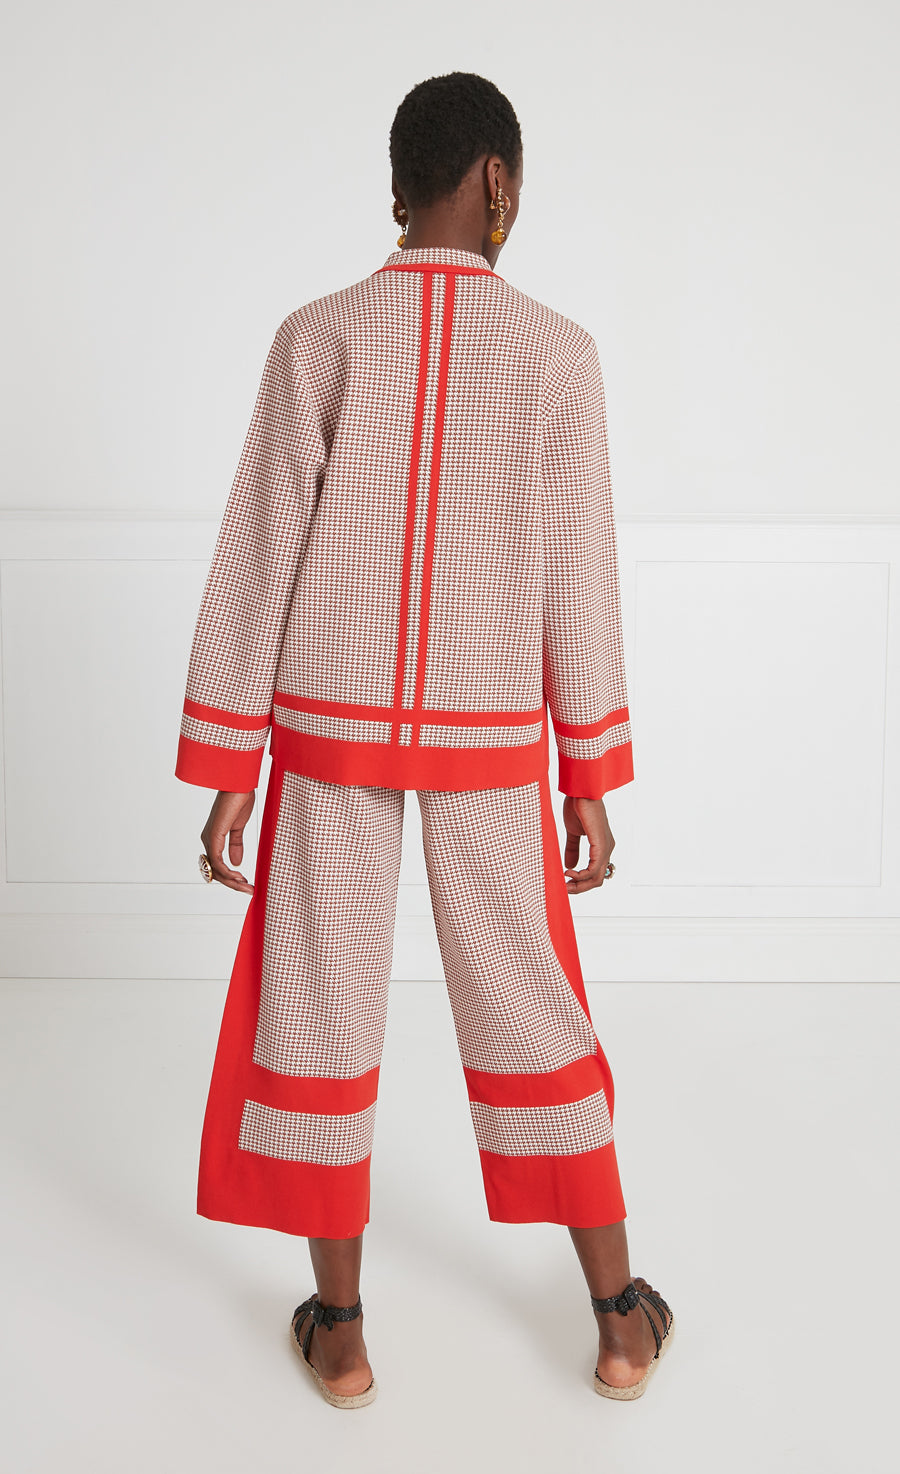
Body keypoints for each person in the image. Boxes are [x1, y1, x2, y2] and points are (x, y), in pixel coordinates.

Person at [175, 71, 674, 1408]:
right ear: (497, 180)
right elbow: (580, 576)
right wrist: (588, 771)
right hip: (489, 730)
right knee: (531, 1001)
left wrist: (227, 760)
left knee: (317, 1003)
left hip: (326, 724)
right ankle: (620, 1322)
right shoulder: (560, 352)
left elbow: (259, 550)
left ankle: (339, 1335)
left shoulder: (318, 335)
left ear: (400, 188)